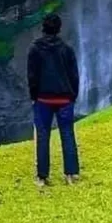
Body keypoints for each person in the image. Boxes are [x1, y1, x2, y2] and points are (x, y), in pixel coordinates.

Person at [27, 13, 80, 187]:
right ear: (59, 29)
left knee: (43, 136)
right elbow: (74, 76)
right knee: (68, 134)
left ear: (43, 28)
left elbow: (32, 76)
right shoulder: (67, 49)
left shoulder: (35, 49)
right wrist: (73, 95)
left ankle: (42, 177)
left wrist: (34, 96)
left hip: (43, 99)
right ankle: (71, 174)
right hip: (65, 99)